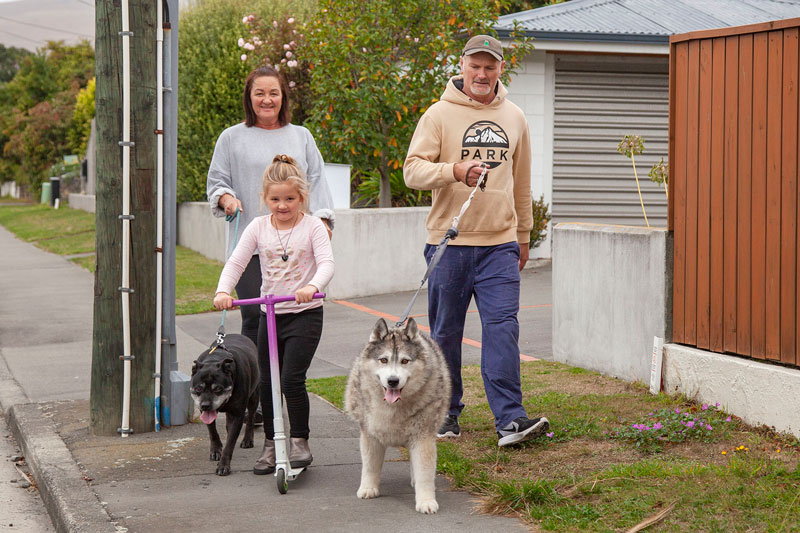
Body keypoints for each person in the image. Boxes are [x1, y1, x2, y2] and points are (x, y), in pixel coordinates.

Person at [403, 34, 549, 447]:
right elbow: (412, 171)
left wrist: (523, 237)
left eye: (490, 66)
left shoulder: (515, 117)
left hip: (499, 245)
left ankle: (511, 420)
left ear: (501, 69)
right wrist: (453, 170)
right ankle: (446, 415)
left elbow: (522, 184)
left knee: (503, 328)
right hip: (448, 245)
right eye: (476, 66)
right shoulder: (437, 114)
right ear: (462, 66)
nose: (482, 74)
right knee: (446, 332)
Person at [213, 154, 334, 474]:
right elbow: (236, 262)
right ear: (265, 198)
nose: (282, 205)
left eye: (290, 199)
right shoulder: (257, 227)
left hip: (305, 313)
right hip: (270, 315)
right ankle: (271, 443)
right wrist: (223, 291)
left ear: (302, 198)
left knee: (291, 378)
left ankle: (299, 442)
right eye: (276, 199)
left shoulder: (313, 227)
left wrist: (313, 285)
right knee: (266, 382)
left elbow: (327, 263)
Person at [207, 65, 335, 350]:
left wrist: (324, 220)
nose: (267, 100)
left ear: (283, 98)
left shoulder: (301, 136)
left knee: (293, 315)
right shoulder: (231, 137)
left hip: (296, 244)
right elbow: (217, 182)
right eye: (260, 93)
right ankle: (257, 382)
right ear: (249, 98)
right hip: (251, 244)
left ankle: (286, 379)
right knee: (255, 314)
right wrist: (226, 198)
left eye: (273, 93)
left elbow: (317, 179)